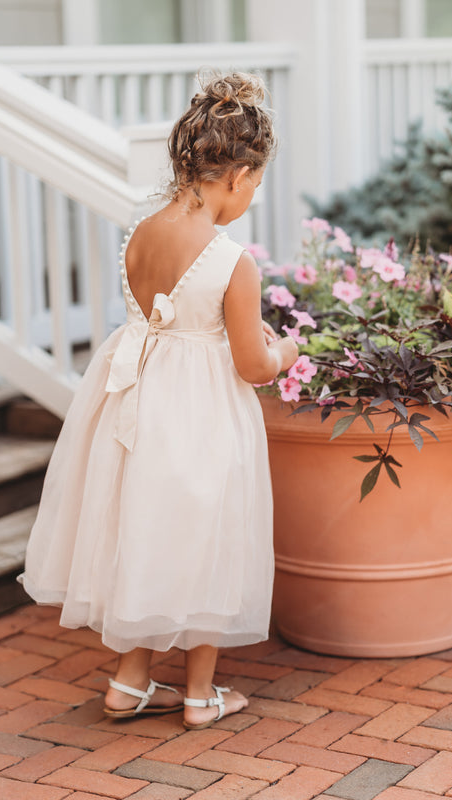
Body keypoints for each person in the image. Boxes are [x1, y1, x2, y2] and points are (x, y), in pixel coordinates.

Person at [18, 71, 299, 729]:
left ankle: (130, 681)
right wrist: (285, 351)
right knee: (206, 535)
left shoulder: (141, 233)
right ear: (237, 176)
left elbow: (164, 315)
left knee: (146, 531)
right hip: (201, 414)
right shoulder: (232, 260)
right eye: (255, 185)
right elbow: (252, 364)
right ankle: (200, 694)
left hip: (138, 402)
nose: (251, 197)